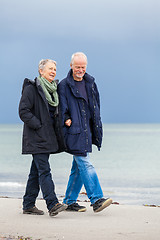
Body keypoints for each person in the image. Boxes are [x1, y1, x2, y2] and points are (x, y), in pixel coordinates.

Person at [58, 52, 112, 213]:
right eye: (77, 67)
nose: (80, 70)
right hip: (73, 131)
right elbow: (61, 107)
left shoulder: (91, 83)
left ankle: (69, 201)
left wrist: (97, 126)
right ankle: (96, 199)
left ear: (86, 66)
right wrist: (66, 118)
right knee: (85, 163)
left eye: (83, 67)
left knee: (78, 167)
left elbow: (96, 106)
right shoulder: (64, 85)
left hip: (88, 130)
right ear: (71, 66)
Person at [19, 59, 67, 217]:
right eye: (50, 69)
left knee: (36, 172)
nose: (53, 71)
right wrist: (39, 126)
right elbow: (23, 111)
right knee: (44, 171)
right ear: (41, 71)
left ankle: (28, 205)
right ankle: (52, 204)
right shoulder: (31, 89)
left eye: (55, 69)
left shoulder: (54, 91)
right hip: (36, 138)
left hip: (47, 138)